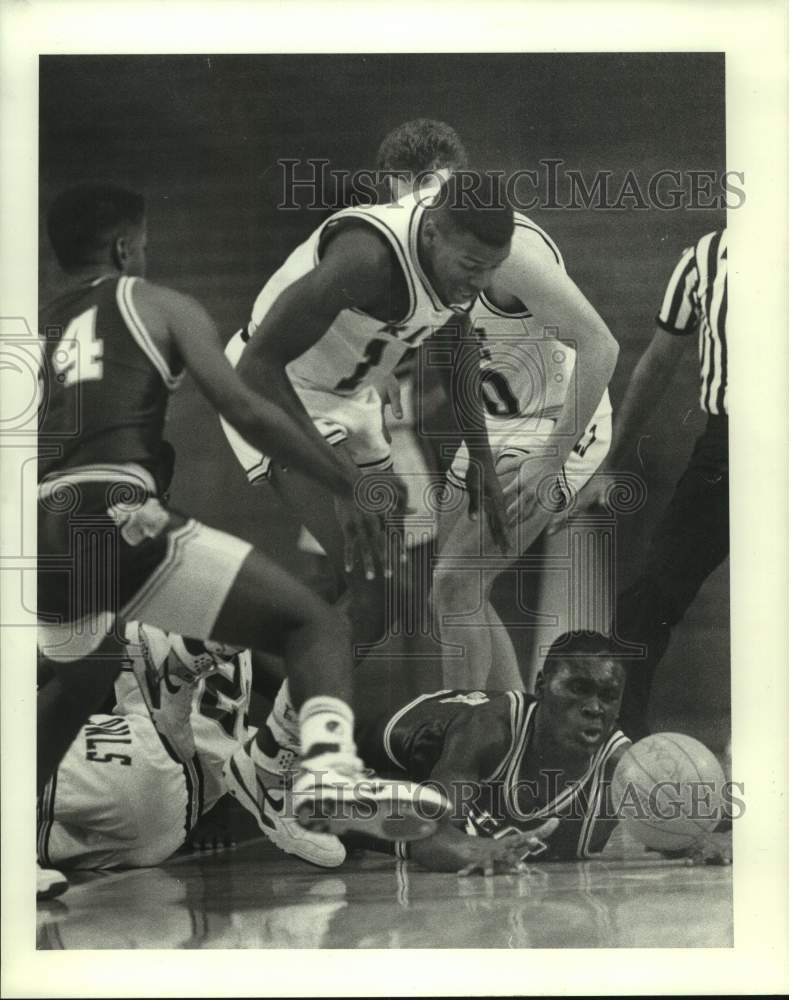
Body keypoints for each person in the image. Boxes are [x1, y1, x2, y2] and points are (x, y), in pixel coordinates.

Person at [36, 184, 445, 896]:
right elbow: (245, 405)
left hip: (33, 532)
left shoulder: (30, 330)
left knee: (78, 679)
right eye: (145, 242)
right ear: (126, 247)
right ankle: (319, 770)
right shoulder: (156, 302)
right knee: (311, 621)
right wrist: (346, 481)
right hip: (116, 512)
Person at [221, 170, 512, 660]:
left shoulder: (454, 247)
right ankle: (261, 714)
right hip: (279, 395)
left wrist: (480, 454)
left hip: (351, 400)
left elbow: (457, 338)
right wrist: (344, 482)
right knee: (373, 591)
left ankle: (231, 682)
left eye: (493, 268)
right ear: (430, 234)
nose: (482, 282)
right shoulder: (366, 258)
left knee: (384, 594)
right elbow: (258, 369)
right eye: (472, 266)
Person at [374, 119, 618, 690]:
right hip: (496, 427)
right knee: (460, 589)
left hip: (557, 424)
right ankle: (510, 737)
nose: (420, 226)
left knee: (453, 587)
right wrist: (382, 363)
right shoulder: (427, 245)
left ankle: (462, 753)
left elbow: (602, 347)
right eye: (405, 207)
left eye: (428, 203)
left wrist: (550, 459)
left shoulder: (511, 256)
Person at [577, 229, 729, 740]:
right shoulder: (706, 257)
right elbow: (658, 361)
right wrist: (612, 462)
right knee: (650, 597)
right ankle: (620, 752)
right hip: (729, 445)